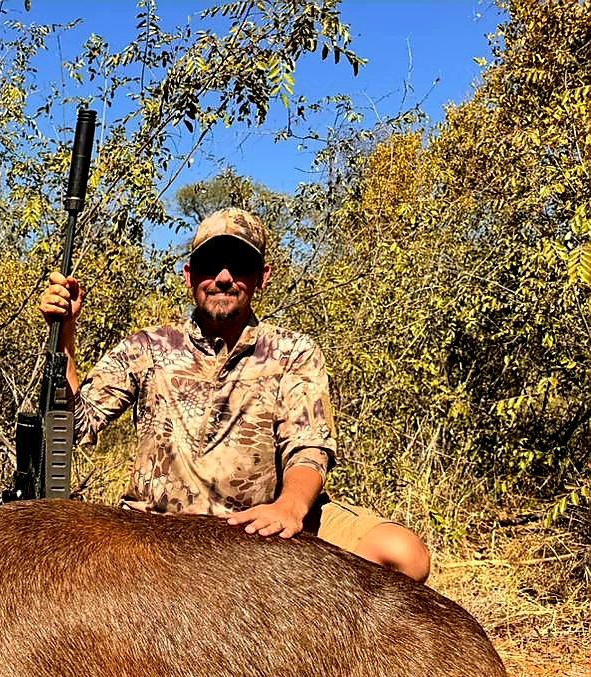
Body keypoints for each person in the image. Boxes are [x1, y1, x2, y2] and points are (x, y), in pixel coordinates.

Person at [39, 206, 431, 582]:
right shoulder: (148, 347)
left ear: (263, 277)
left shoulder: (292, 351)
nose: (224, 277)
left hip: (258, 529)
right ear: (190, 274)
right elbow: (76, 424)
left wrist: (290, 508)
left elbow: (308, 447)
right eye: (211, 265)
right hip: (158, 531)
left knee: (402, 554)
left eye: (239, 265)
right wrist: (65, 333)